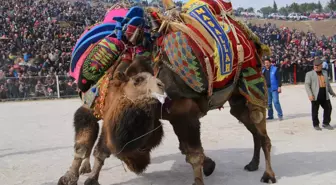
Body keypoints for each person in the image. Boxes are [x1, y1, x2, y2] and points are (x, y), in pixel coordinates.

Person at [305, 59, 335, 130]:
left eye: (317, 66)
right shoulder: (309, 74)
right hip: (315, 94)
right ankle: (316, 124)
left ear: (321, 66)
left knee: (328, 108)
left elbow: (328, 85)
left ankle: (326, 123)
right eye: (315, 66)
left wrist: (332, 93)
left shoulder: (325, 72)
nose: (316, 67)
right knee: (315, 110)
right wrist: (310, 95)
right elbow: (307, 85)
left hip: (324, 93)